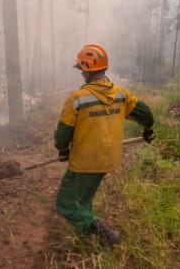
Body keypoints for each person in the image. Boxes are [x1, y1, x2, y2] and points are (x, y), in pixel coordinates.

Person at [54, 44, 155, 247]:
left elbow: (63, 134)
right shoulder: (120, 94)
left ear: (87, 70)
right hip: (108, 159)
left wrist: (63, 150)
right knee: (83, 198)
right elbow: (146, 114)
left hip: (84, 161)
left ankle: (103, 233)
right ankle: (87, 239)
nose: (81, 72)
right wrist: (148, 130)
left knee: (65, 202)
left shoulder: (77, 99)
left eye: (82, 68)